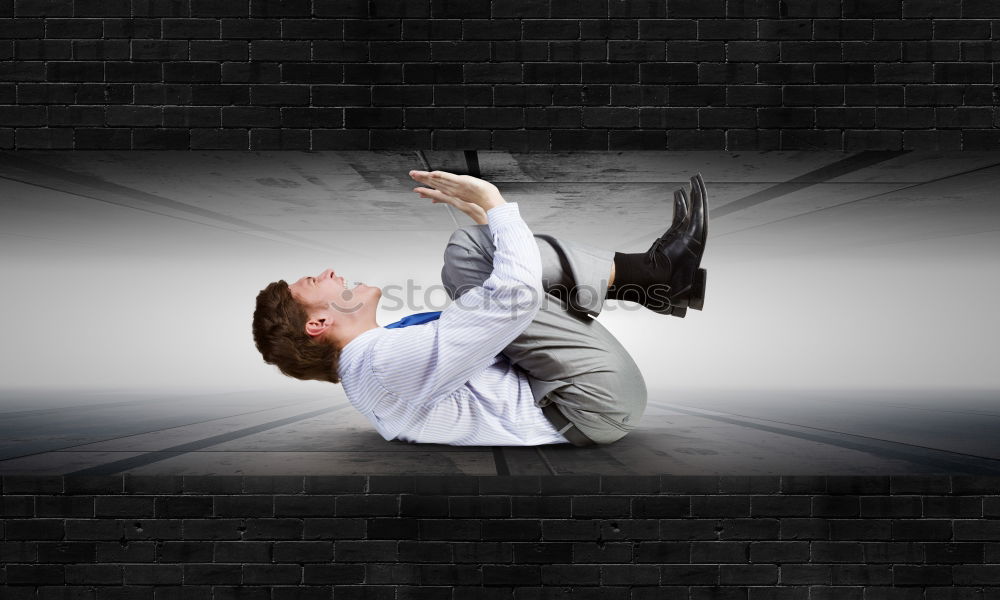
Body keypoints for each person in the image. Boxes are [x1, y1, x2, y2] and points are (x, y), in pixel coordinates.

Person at [252, 170, 708, 446]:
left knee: (476, 255)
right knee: (470, 253)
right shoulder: (383, 364)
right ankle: (657, 276)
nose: (329, 272)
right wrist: (494, 205)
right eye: (315, 281)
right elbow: (513, 299)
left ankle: (658, 281)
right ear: (318, 322)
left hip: (578, 401)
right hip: (590, 403)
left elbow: (492, 316)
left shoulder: (376, 363)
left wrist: (491, 226)